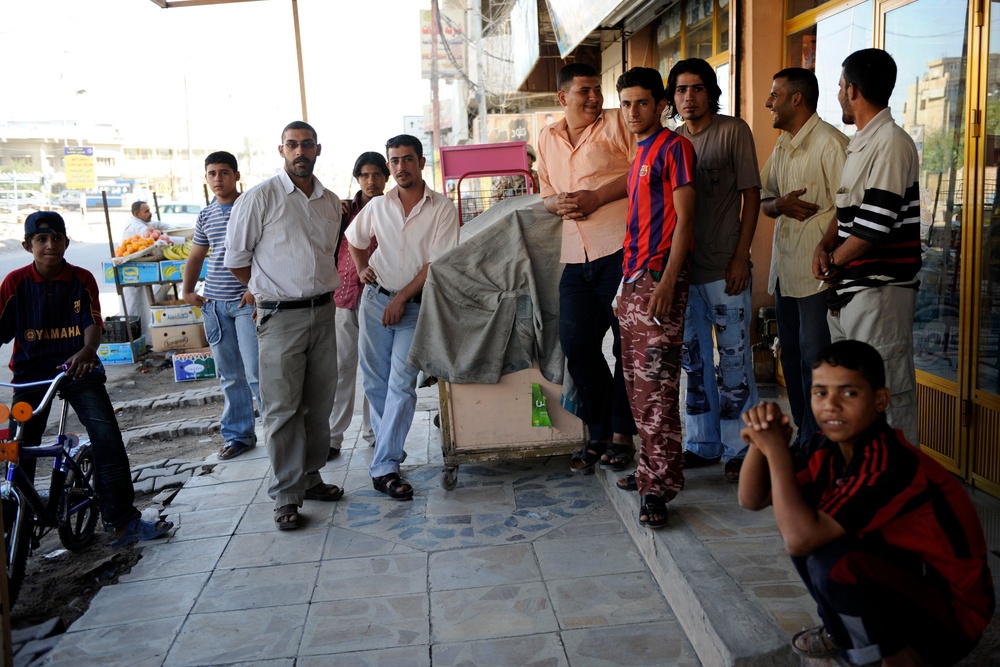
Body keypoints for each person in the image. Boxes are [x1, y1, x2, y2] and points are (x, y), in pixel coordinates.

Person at [738, 340, 994, 665]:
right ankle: (845, 634)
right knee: (807, 525)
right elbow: (752, 498)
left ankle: (896, 657)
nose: (830, 405)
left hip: (954, 616)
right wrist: (760, 441)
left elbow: (800, 538)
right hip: (910, 585)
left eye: (849, 393)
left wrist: (775, 450)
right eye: (820, 392)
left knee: (825, 554)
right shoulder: (824, 448)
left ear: (880, 400)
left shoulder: (891, 463)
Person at [0, 211, 173, 549]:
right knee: (19, 451)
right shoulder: (14, 284)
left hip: (77, 369)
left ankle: (123, 522)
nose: (50, 246)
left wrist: (88, 351)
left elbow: (92, 323)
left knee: (107, 437)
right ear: (27, 245)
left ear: (66, 241)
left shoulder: (81, 279)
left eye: (57, 239)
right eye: (41, 240)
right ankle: (20, 524)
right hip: (31, 377)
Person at [224, 121, 345, 531]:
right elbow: (237, 260)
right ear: (281, 150)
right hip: (279, 318)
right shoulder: (260, 198)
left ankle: (310, 477)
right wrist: (267, 293)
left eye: (307, 145)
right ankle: (286, 496)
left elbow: (324, 254)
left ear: (318, 149)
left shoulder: (329, 201)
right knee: (282, 410)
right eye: (292, 145)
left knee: (319, 404)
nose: (300, 152)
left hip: (324, 313)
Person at [813, 48, 921, 446]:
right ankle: (863, 488)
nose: (839, 94)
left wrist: (831, 264)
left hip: (879, 294)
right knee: (852, 400)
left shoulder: (891, 142)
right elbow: (849, 212)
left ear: (852, 90)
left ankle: (900, 497)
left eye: (840, 87)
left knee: (887, 400)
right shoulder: (863, 142)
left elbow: (873, 227)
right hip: (852, 292)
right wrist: (825, 245)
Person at [537, 62, 638, 473]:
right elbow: (545, 191)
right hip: (575, 256)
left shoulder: (618, 123)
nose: (595, 97)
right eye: (585, 91)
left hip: (620, 250)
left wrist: (597, 196)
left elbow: (642, 170)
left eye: (598, 89)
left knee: (626, 347)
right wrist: (555, 204)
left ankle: (620, 434)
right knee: (577, 347)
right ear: (564, 98)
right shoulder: (547, 137)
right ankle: (597, 428)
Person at [346, 134, 458, 500]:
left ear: (421, 163)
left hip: (414, 307)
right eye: (394, 161)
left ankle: (385, 465)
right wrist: (362, 268)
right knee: (376, 384)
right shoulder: (378, 205)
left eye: (407, 159)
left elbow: (436, 264)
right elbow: (355, 239)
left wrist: (402, 298)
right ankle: (389, 452)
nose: (400, 167)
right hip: (375, 302)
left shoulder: (442, 208)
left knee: (401, 384)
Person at [668, 57, 761, 483]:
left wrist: (741, 256)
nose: (689, 97)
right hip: (685, 271)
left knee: (736, 364)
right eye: (682, 90)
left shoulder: (733, 131)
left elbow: (752, 197)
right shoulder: (671, 142)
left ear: (711, 92)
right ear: (673, 97)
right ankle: (702, 444)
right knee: (694, 362)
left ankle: (741, 448)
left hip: (726, 270)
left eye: (698, 88)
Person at [614, 67, 696, 529]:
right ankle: (649, 471)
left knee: (656, 390)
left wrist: (666, 283)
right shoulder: (639, 152)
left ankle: (659, 490)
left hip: (659, 282)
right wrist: (624, 286)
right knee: (636, 387)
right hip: (633, 282)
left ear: (661, 104)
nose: (633, 112)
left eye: (641, 102)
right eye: (625, 103)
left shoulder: (674, 147)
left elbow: (686, 220)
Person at [760, 68, 848, 448]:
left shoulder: (831, 143)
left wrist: (827, 250)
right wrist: (778, 204)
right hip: (785, 272)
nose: (769, 104)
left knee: (817, 358)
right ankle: (803, 435)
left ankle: (822, 441)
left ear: (797, 99)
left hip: (817, 274)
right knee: (792, 355)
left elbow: (851, 210)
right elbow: (762, 200)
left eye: (775, 95)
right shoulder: (782, 145)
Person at [181, 151, 260, 461]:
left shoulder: (251, 206)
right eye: (212, 173)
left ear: (236, 175)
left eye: (224, 172)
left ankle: (280, 435)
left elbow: (266, 252)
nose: (218, 178)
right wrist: (187, 290)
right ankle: (240, 435)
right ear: (206, 178)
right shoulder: (206, 215)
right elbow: (197, 255)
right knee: (230, 374)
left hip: (247, 303)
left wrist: (255, 287)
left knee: (256, 372)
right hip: (214, 304)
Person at [328, 151, 387, 459]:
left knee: (373, 369)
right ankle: (333, 437)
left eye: (377, 174)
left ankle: (374, 431)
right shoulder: (340, 211)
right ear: (357, 179)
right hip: (342, 297)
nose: (371, 180)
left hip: (377, 298)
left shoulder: (393, 210)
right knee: (341, 368)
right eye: (365, 175)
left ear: (386, 178)